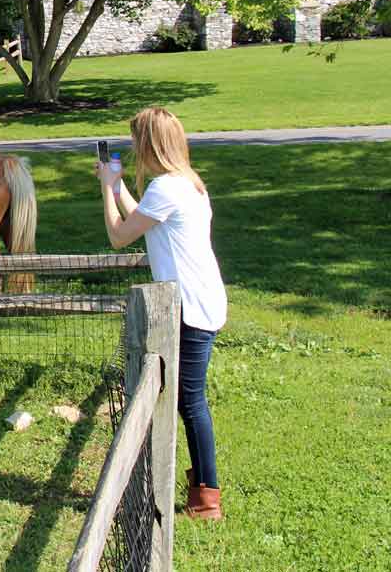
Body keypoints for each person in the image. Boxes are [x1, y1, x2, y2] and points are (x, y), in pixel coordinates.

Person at [94, 107, 227, 521]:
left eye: (136, 141)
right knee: (186, 399)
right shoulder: (186, 185)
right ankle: (198, 487)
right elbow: (143, 221)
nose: (133, 148)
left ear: (149, 144)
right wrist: (118, 188)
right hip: (201, 301)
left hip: (189, 308)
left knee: (190, 401)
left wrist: (104, 188)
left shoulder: (166, 189)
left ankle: (208, 498)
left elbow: (119, 236)